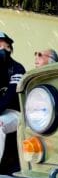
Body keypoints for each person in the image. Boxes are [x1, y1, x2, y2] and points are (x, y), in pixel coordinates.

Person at [0, 32, 26, 162]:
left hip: (14, 112)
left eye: (0, 44)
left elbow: (11, 95)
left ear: (9, 48)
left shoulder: (17, 68)